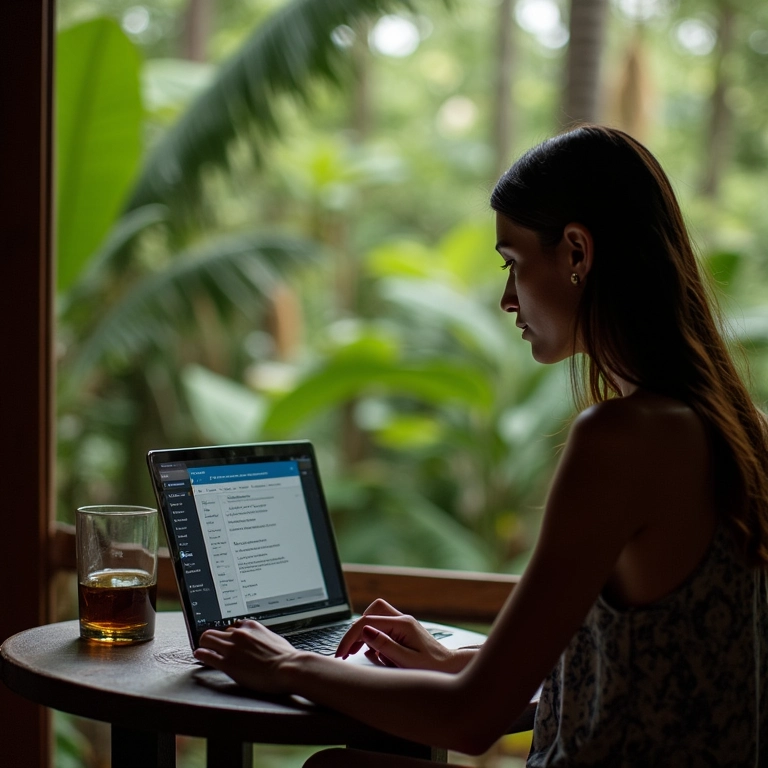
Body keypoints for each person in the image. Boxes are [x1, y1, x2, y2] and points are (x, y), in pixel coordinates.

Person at [193, 125, 768, 766]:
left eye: (514, 263)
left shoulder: (623, 439)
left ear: (577, 252)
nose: (505, 298)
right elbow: (656, 670)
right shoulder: (743, 432)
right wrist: (458, 658)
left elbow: (472, 722)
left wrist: (292, 666)